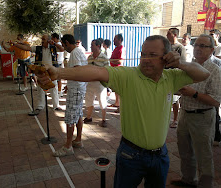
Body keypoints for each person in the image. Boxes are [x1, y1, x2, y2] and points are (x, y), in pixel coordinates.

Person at [36, 35, 210, 187]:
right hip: (130, 155)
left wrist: (180, 63)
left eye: (153, 55)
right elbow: (97, 72)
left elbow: (203, 74)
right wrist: (59, 73)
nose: (146, 59)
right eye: (143, 54)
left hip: (160, 155)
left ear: (166, 58)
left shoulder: (171, 78)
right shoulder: (128, 75)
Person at [171, 34, 221, 188]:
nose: (198, 48)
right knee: (185, 151)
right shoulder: (189, 65)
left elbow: (215, 100)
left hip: (203, 117)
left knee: (203, 155)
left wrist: (194, 93)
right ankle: (188, 180)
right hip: (185, 114)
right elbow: (182, 89)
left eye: (203, 46)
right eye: (197, 45)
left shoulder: (215, 70)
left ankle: (205, 185)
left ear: (212, 49)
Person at [53, 34, 87, 157]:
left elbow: (77, 71)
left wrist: (62, 74)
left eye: (63, 44)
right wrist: (69, 83)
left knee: (70, 118)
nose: (63, 47)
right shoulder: (78, 51)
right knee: (78, 115)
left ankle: (68, 146)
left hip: (76, 89)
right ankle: (78, 140)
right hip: (78, 87)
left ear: (67, 43)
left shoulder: (74, 53)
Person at [12, 34, 60, 113]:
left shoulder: (53, 48)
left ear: (48, 40)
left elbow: (62, 49)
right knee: (40, 88)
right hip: (41, 72)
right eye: (42, 39)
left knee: (54, 88)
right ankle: (40, 106)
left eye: (44, 39)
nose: (42, 41)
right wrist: (16, 45)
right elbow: (27, 48)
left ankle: (56, 105)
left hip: (52, 72)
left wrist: (54, 43)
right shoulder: (38, 48)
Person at [83, 39, 109, 127]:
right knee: (88, 100)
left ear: (98, 46)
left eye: (92, 45)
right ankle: (89, 117)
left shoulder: (104, 58)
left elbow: (107, 71)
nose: (90, 47)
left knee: (102, 101)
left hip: (100, 84)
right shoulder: (89, 58)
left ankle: (104, 119)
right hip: (90, 83)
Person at [167, 28, 187, 128]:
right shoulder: (166, 46)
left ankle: (175, 119)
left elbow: (182, 63)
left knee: (175, 100)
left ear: (174, 35)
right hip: (165, 76)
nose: (166, 34)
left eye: (168, 33)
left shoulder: (180, 47)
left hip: (174, 76)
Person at [209, 30, 221, 146]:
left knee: (216, 112)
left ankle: (217, 136)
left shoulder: (219, 49)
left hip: (216, 85)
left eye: (212, 35)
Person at [109, 34, 126, 113]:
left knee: (119, 89)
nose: (113, 41)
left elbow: (120, 61)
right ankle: (117, 103)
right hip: (114, 70)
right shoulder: (116, 48)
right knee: (115, 88)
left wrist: (111, 60)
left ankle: (121, 106)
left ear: (119, 40)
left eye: (115, 39)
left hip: (118, 70)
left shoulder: (121, 49)